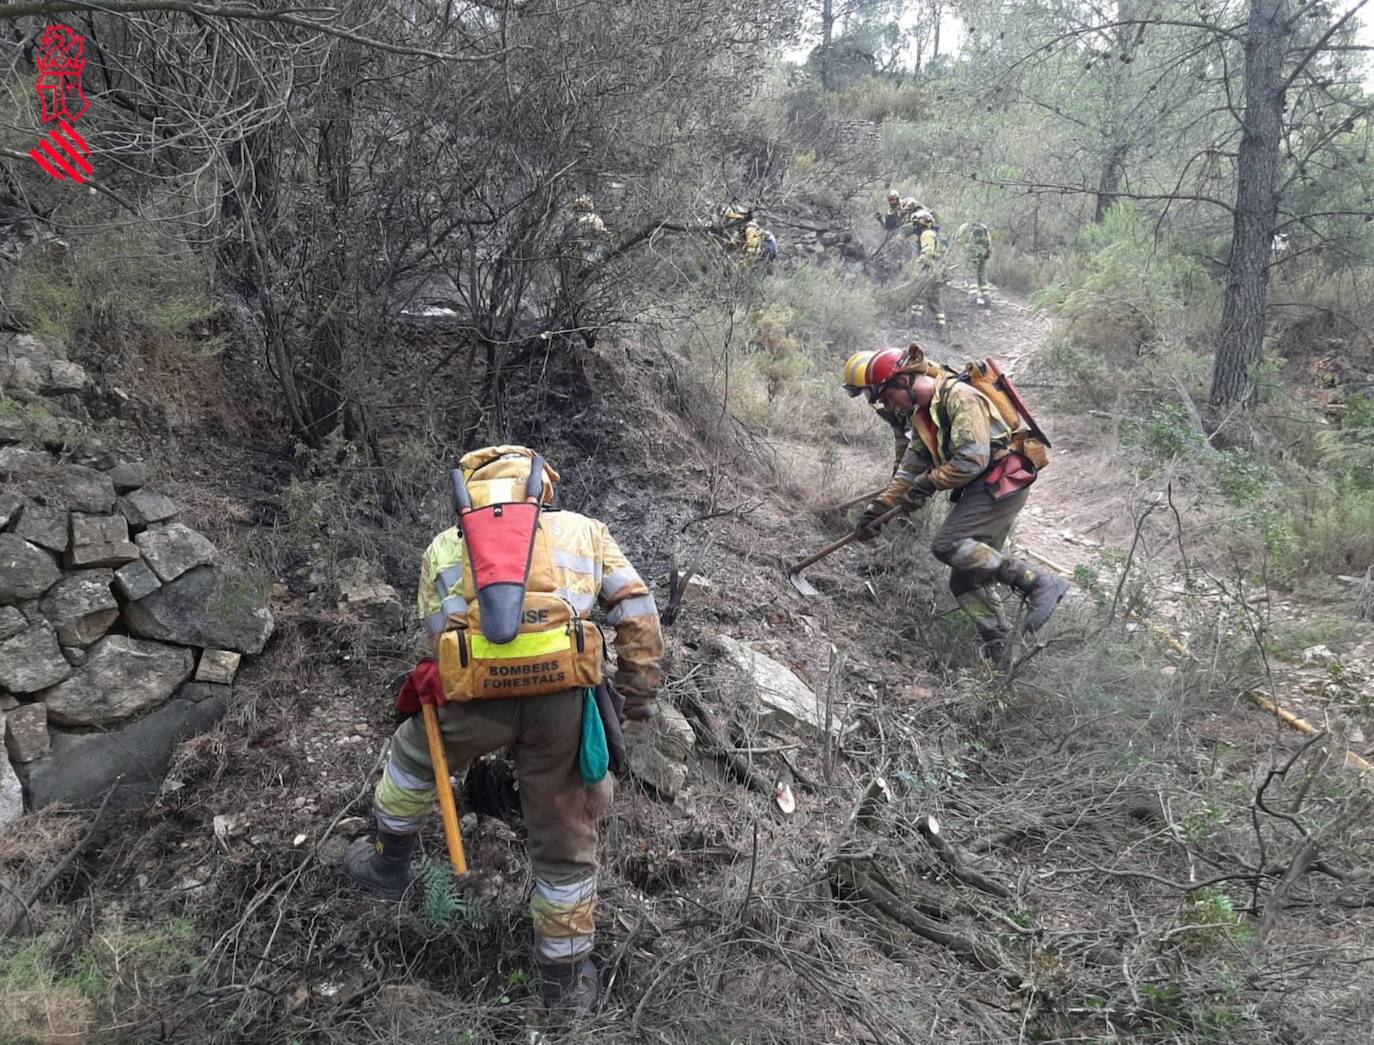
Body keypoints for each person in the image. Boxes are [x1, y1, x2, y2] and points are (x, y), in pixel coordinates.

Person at [344, 445, 664, 1018]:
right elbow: (637, 613)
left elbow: (434, 638)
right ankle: (563, 981)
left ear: (469, 491)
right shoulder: (585, 533)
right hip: (562, 707)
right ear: (542, 487)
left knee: (413, 760)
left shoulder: (445, 544)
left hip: (472, 703)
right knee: (565, 837)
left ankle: (388, 866)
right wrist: (637, 698)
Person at [844, 348, 1069, 661]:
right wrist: (880, 510)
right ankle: (999, 649)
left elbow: (971, 460)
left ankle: (1038, 581)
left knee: (948, 544)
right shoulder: (925, 413)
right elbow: (910, 467)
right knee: (963, 580)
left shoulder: (959, 397)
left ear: (904, 380)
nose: (885, 405)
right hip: (984, 485)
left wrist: (928, 483)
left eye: (884, 396)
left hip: (999, 482)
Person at [909, 210, 946, 329]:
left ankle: (914, 325)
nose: (914, 227)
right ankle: (941, 328)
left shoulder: (927, 234)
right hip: (936, 270)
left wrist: (917, 267)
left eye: (916, 224)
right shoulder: (932, 233)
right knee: (934, 299)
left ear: (923, 223)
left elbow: (927, 253)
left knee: (919, 295)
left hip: (928, 269)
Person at [957, 221, 993, 306]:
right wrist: (987, 253)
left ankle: (972, 298)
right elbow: (989, 241)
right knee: (982, 277)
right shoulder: (983, 226)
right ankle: (987, 298)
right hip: (982, 256)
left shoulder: (965, 226)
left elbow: (959, 240)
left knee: (972, 277)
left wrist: (966, 248)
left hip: (971, 256)